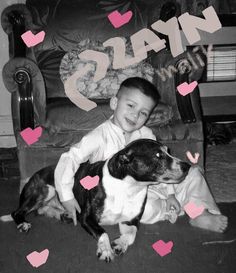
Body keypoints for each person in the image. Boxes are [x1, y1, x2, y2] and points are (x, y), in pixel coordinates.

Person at [55, 77, 228, 232]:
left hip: (156, 183)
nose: (135, 115)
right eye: (130, 105)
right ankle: (183, 208)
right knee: (145, 210)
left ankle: (200, 213)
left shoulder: (147, 135)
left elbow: (164, 165)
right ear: (115, 103)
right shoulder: (99, 136)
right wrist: (66, 196)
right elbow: (70, 158)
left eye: (143, 113)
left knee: (193, 173)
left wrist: (170, 194)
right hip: (127, 197)